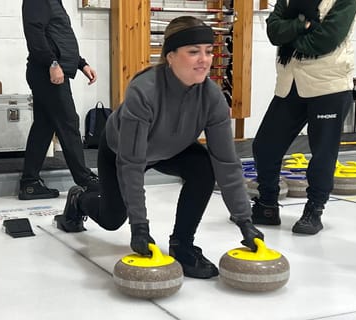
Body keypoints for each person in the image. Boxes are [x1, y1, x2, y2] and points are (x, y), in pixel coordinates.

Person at [53, 16, 264, 279]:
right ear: (171, 56)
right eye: (193, 51)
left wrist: (245, 222)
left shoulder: (212, 98)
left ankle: (183, 246)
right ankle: (79, 200)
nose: (205, 59)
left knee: (205, 167)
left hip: (172, 149)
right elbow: (131, 164)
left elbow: (227, 163)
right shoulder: (144, 92)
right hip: (121, 150)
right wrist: (139, 227)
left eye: (209, 51)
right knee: (111, 219)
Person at [250, 0, 356, 235]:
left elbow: (325, 40)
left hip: (329, 86)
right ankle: (267, 204)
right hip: (290, 84)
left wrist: (290, 36)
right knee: (265, 147)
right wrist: (305, 23)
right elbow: (273, 31)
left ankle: (314, 210)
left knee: (322, 154)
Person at [20, 0, 99, 200]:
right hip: (46, 72)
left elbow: (59, 36)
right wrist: (52, 62)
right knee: (68, 122)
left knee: (44, 127)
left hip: (50, 70)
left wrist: (82, 64)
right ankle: (85, 179)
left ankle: (30, 184)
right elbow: (35, 35)